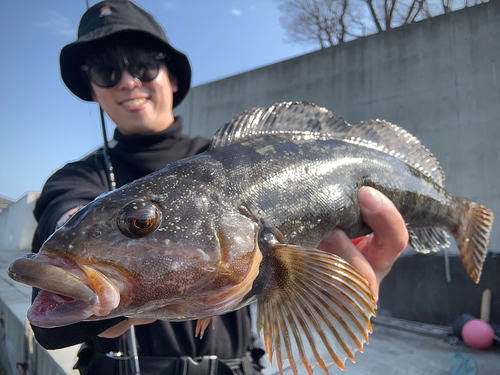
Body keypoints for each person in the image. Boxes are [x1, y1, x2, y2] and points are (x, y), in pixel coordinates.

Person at [30, 1, 409, 374]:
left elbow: (314, 288)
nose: (129, 81)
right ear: (93, 90)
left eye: (144, 63)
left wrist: (340, 287)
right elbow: (62, 215)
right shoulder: (75, 178)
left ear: (172, 77)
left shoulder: (230, 160)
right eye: (105, 70)